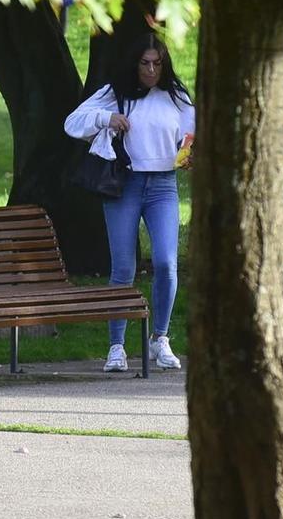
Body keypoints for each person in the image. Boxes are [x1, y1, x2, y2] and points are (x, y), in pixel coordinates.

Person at [64, 33, 196, 373]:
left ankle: (160, 338)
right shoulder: (115, 94)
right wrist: (106, 120)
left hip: (164, 185)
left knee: (167, 262)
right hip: (125, 184)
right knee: (123, 267)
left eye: (157, 63)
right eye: (144, 63)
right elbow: (72, 123)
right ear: (134, 64)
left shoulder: (176, 96)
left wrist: (190, 152)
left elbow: (192, 135)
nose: (151, 70)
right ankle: (117, 346)